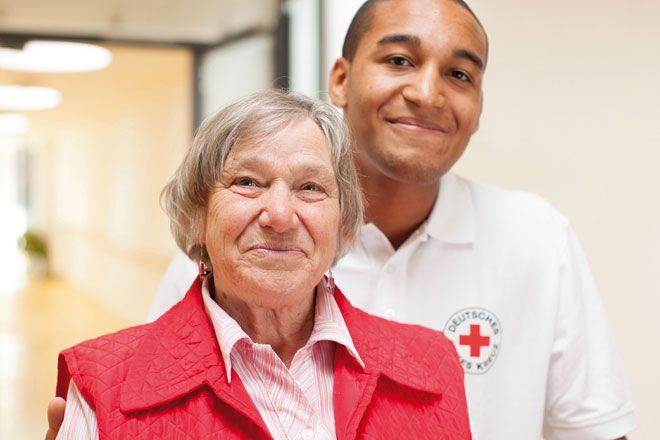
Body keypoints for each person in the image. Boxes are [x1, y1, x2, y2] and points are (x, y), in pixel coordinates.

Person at [49, 0, 635, 439]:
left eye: (460, 74)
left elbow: (596, 427)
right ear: (341, 78)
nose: (427, 92)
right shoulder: (227, 262)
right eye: (399, 59)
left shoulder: (536, 238)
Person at [52, 89, 472, 439]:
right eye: (248, 182)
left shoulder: (433, 368)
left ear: (343, 224)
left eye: (310, 187)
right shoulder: (101, 386)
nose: (281, 215)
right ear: (198, 215)